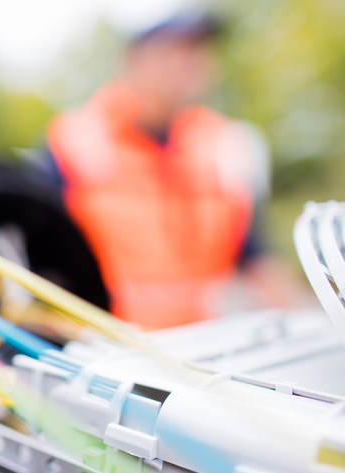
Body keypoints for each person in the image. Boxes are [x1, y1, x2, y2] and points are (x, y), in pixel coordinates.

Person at [47, 14, 294, 329]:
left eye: (199, 48)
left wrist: (314, 330)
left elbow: (257, 258)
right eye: (174, 48)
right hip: (108, 351)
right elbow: (44, 267)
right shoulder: (74, 141)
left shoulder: (224, 145)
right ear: (132, 58)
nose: (191, 61)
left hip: (199, 353)